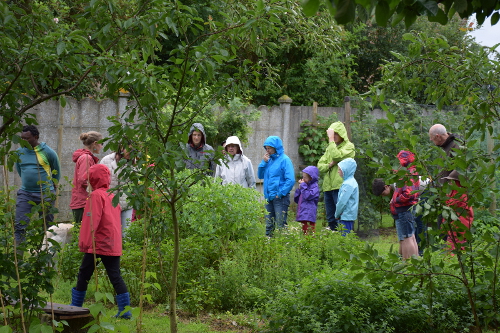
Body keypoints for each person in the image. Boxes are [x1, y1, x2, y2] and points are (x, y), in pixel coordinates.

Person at [69, 164, 132, 319]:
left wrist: (84, 243)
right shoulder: (112, 195)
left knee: (84, 273)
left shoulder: (96, 196)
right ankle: (126, 312)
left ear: (93, 179)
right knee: (115, 275)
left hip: (98, 242)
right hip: (112, 242)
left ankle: (75, 307)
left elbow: (91, 221)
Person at [14, 125, 61, 244]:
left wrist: (52, 189)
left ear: (36, 137)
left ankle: (45, 254)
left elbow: (56, 172)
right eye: (22, 138)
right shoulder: (19, 153)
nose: (23, 141)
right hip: (25, 194)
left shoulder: (48, 152)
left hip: (45, 193)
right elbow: (20, 170)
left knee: (47, 228)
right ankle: (18, 259)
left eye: (27, 138)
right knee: (20, 226)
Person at [372, 155, 420, 259]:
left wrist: (395, 200)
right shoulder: (406, 175)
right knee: (409, 237)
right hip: (405, 209)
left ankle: (410, 262)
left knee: (408, 237)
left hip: (406, 209)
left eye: (399, 163)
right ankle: (410, 261)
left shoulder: (406, 176)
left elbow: (409, 194)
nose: (396, 168)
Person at [317, 121, 355, 231]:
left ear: (342, 134)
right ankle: (335, 241)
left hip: (341, 186)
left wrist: (330, 141)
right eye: (332, 135)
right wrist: (330, 164)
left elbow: (336, 155)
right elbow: (320, 166)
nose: (334, 137)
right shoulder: (330, 147)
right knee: (331, 217)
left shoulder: (349, 147)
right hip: (328, 187)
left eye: (336, 134)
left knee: (342, 215)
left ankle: (344, 241)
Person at [258, 136, 295, 237]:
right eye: (266, 148)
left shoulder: (285, 160)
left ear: (276, 147)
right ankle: (269, 245)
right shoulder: (268, 160)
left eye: (269, 148)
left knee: (280, 223)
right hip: (269, 197)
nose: (267, 150)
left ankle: (283, 246)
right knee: (269, 224)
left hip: (280, 198)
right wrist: (263, 162)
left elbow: (291, 180)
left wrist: (280, 193)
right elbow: (260, 176)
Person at [70, 131, 103, 224]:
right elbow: (84, 180)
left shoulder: (86, 157)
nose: (102, 146)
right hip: (83, 201)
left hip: (81, 201)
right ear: (95, 144)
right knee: (84, 232)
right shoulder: (86, 158)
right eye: (101, 143)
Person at [100, 146, 133, 235]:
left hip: (126, 204)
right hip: (109, 203)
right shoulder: (107, 160)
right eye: (130, 149)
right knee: (110, 233)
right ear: (122, 147)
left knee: (125, 234)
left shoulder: (134, 163)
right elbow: (98, 179)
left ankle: (126, 248)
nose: (132, 152)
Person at [441, 170, 473, 252]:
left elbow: (450, 206)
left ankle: (452, 261)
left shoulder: (460, 194)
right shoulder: (457, 193)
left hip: (458, 228)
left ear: (457, 182)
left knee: (453, 248)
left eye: (452, 181)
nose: (450, 183)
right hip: (457, 227)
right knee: (458, 246)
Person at [335, 158, 358, 235]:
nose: (338, 171)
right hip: (349, 215)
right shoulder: (351, 181)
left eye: (340, 169)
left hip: (345, 215)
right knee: (347, 236)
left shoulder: (348, 184)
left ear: (346, 170)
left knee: (344, 237)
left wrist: (337, 214)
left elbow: (342, 202)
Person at [294, 166, 320, 235]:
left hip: (309, 213)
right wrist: (299, 189)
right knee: (304, 230)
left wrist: (303, 186)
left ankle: (310, 243)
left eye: (305, 177)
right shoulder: (305, 186)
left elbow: (308, 196)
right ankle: (306, 244)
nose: (303, 179)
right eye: (303, 177)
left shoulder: (315, 187)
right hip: (303, 212)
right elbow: (297, 199)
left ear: (311, 178)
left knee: (309, 230)